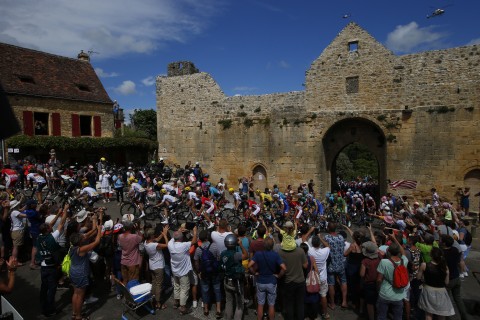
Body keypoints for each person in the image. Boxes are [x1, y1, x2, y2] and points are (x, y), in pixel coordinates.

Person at [35, 203, 68, 317]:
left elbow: (50, 225)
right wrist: (65, 211)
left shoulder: (40, 236)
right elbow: (61, 224)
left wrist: (58, 213)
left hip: (43, 266)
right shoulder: (52, 237)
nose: (51, 226)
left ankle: (43, 306)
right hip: (51, 267)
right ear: (48, 230)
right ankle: (50, 309)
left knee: (44, 288)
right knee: (51, 289)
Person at [69, 222, 102, 320]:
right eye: (82, 238)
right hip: (80, 274)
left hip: (73, 272)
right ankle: (79, 316)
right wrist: (99, 230)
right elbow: (96, 242)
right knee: (80, 296)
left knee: (75, 293)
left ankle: (74, 313)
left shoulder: (72, 246)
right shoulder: (82, 249)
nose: (84, 237)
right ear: (79, 242)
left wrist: (95, 223)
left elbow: (86, 236)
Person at [248, 237, 286, 320]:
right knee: (271, 304)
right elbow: (284, 268)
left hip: (261, 281)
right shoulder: (275, 255)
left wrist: (254, 273)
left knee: (260, 304)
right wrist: (278, 276)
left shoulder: (258, 254)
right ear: (272, 246)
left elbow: (249, 265)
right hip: (271, 281)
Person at [376, 236, 409, 320]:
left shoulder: (384, 262)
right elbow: (403, 252)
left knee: (381, 316)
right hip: (399, 295)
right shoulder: (404, 261)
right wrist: (394, 238)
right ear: (398, 252)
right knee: (398, 317)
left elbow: (379, 279)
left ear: (388, 251)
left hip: (385, 293)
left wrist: (378, 289)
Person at [417, 247, 455, 319]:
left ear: (431, 255)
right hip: (441, 292)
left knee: (428, 314)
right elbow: (446, 282)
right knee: (441, 313)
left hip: (428, 290)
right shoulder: (445, 267)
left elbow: (418, 277)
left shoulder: (424, 265)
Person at [168, 226, 198, 315]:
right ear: (181, 239)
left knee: (177, 286)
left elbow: (174, 237)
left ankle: (176, 302)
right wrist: (195, 232)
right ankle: (183, 307)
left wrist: (179, 230)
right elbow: (194, 241)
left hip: (175, 270)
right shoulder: (183, 245)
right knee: (184, 289)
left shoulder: (170, 245)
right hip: (183, 272)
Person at [279, 235, 308, 320]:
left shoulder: (281, 252)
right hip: (300, 281)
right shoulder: (300, 251)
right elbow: (305, 266)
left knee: (289, 303)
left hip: (288, 281)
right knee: (300, 303)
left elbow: (280, 267)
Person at [194, 230, 222, 318]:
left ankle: (206, 309)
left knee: (205, 290)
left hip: (204, 273)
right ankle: (218, 309)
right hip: (214, 271)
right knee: (217, 290)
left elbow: (196, 262)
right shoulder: (214, 246)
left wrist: (198, 271)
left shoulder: (198, 249)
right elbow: (219, 258)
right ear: (207, 237)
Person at [221, 234, 248, 320]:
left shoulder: (223, 253)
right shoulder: (236, 255)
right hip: (236, 282)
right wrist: (240, 244)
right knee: (239, 303)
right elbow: (246, 255)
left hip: (226, 280)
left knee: (228, 301)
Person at [144, 226, 169, 310]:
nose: (154, 235)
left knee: (154, 282)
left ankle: (153, 298)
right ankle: (158, 303)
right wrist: (165, 236)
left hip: (152, 266)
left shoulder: (146, 243)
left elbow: (157, 239)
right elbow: (167, 245)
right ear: (151, 236)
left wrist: (163, 233)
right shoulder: (154, 245)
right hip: (158, 266)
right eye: (153, 234)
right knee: (159, 284)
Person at [324, 222, 348, 310]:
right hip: (341, 263)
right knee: (343, 282)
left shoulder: (327, 238)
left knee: (331, 284)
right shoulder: (341, 237)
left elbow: (326, 249)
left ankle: (332, 303)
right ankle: (344, 301)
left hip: (331, 264)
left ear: (328, 228)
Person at [308, 234, 331, 319]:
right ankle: (325, 313)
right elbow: (328, 246)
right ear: (319, 243)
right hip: (322, 277)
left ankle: (312, 313)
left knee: (311, 295)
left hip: (312, 277)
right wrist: (321, 238)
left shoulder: (310, 251)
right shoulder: (325, 251)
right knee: (323, 295)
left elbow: (303, 240)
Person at [118, 220, 143, 285]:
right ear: (131, 227)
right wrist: (137, 230)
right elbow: (142, 238)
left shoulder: (120, 236)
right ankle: (131, 295)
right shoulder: (134, 237)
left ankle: (125, 294)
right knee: (133, 282)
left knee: (125, 280)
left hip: (123, 261)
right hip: (133, 263)